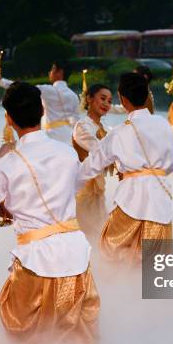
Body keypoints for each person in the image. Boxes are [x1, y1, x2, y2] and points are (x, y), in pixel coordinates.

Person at [0, 82, 99, 344]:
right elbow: (74, 188)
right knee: (77, 340)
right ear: (42, 112)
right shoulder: (68, 154)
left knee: (29, 338)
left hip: (36, 262)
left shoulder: (8, 165)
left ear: (9, 118)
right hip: (76, 256)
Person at [79, 73, 173, 266]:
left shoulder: (120, 132)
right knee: (156, 261)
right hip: (160, 199)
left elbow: (92, 164)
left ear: (123, 99)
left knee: (111, 250)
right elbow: (170, 165)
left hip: (131, 200)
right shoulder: (163, 124)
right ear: (147, 95)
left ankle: (121, 292)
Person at [0, 60, 79, 144]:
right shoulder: (74, 96)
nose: (50, 72)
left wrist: (1, 81)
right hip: (70, 136)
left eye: (52, 69)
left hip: (53, 135)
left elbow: (23, 89)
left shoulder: (49, 90)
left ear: (60, 72)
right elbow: (76, 120)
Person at [72, 84, 113, 241]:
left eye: (109, 101)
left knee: (99, 233)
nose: (106, 104)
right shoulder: (82, 126)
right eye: (102, 99)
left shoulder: (103, 128)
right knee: (88, 233)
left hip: (97, 189)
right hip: (83, 190)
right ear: (89, 99)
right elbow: (98, 150)